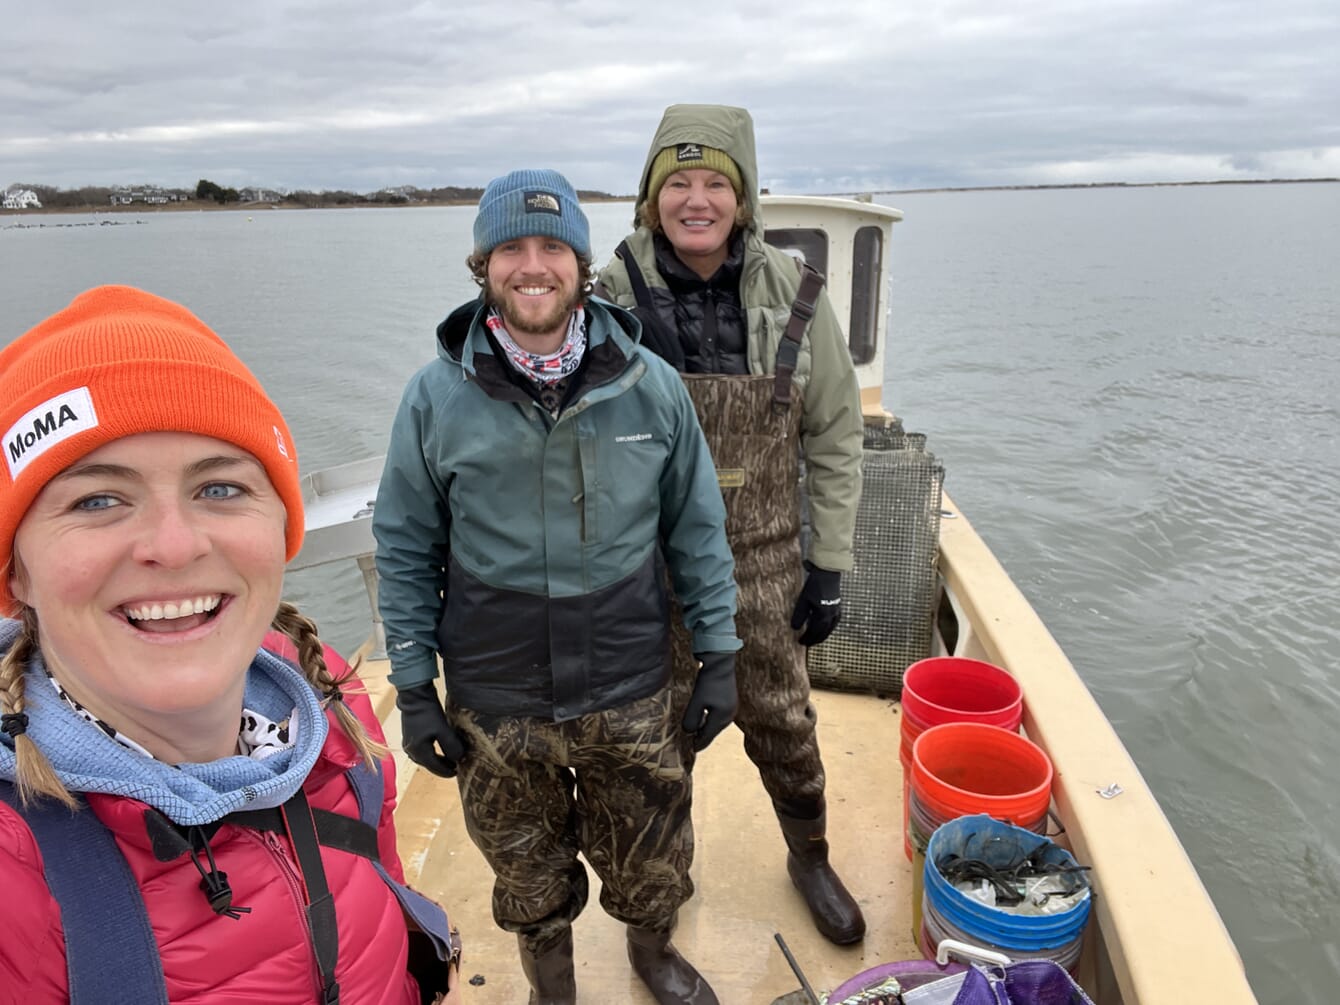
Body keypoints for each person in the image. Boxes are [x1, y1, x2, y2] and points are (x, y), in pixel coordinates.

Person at [0, 285, 461, 1004]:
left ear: (280, 527)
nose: (175, 545)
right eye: (97, 500)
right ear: (16, 568)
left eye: (219, 488)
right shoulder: (15, 872)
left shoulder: (332, 706)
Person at [372, 169, 740, 1005]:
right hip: (495, 692)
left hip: (628, 677)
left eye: (551, 248)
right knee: (523, 864)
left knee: (653, 848)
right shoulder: (434, 396)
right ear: (483, 265)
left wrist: (718, 654)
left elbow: (698, 532)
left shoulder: (650, 384)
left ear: (580, 264)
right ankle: (554, 986)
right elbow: (402, 545)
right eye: (511, 248)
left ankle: (653, 955)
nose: (532, 266)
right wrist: (412, 688)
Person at [597, 104, 868, 945]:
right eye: (677, 181)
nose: (697, 199)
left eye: (717, 181)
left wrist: (827, 563)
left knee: (785, 719)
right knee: (652, 744)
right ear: (651, 198)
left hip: (766, 558)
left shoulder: (796, 292)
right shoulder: (605, 295)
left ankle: (810, 855)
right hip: (646, 567)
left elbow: (834, 430)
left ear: (744, 199)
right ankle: (653, 908)